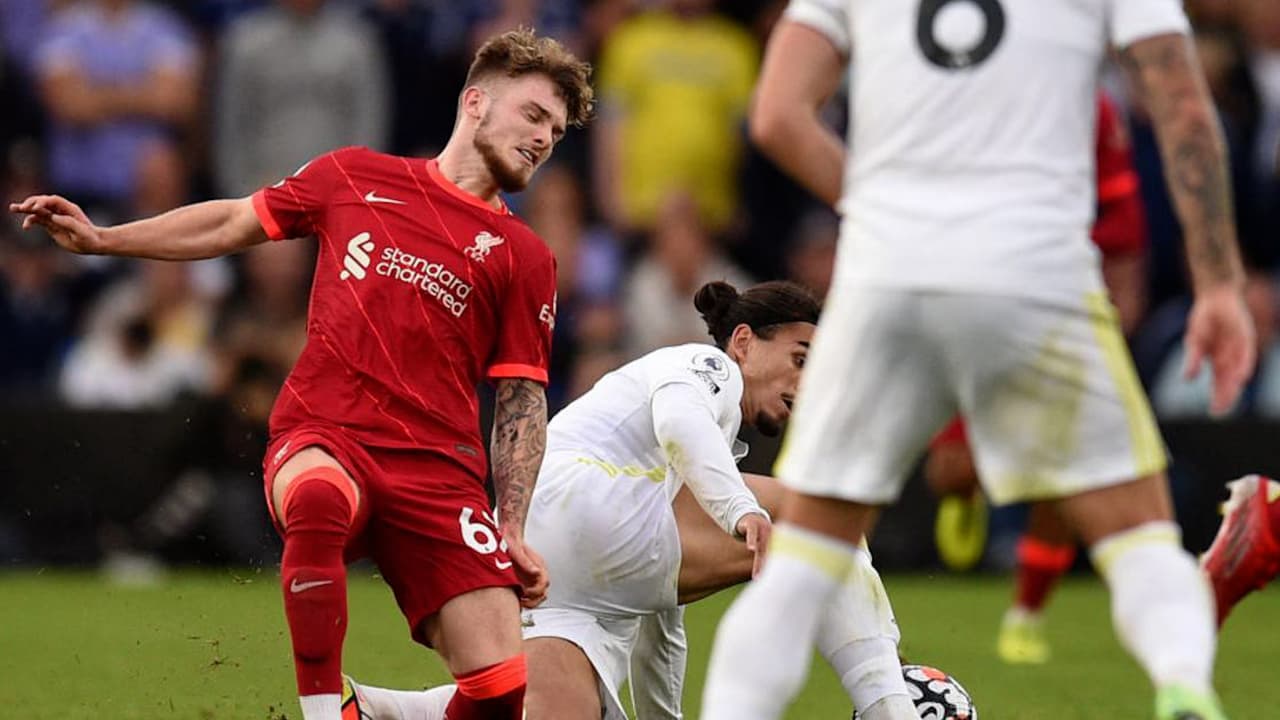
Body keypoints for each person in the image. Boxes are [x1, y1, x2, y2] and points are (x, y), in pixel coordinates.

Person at [11, 28, 594, 720]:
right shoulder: (355, 176)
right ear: (476, 103)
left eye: (556, 131)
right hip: (329, 433)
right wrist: (106, 239)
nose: (543, 138)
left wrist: (512, 526)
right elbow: (231, 222)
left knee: (500, 689)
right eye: (533, 114)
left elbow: (522, 398)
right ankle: (322, 714)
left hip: (439, 471)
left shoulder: (524, 256)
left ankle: (366, 711)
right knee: (317, 500)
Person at [703, 2, 1256, 720]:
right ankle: (1183, 684)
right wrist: (1219, 285)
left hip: (888, 274)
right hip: (1037, 272)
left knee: (804, 564)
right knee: (1138, 539)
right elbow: (1182, 107)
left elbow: (777, 116)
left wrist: (881, 215)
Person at [342, 281, 911, 720]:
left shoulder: (674, 472)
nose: (806, 386)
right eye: (801, 359)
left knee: (551, 707)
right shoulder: (710, 368)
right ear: (742, 342)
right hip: (584, 504)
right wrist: (739, 509)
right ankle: (891, 705)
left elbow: (661, 621)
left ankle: (387, 709)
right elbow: (680, 422)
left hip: (550, 567)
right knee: (827, 519)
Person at [924, 91, 1152, 665]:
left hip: (1063, 301)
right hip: (974, 294)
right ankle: (966, 493)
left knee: (1061, 468)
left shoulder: (1092, 106)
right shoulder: (966, 95)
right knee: (950, 471)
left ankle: (1026, 613)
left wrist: (1118, 285)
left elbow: (1123, 213)